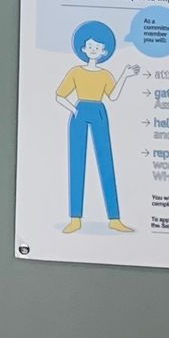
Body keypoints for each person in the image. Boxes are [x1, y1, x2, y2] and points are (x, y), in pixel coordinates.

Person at [55, 20, 138, 233]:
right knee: (77, 162)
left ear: (104, 51)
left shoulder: (104, 75)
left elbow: (113, 95)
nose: (94, 50)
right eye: (90, 46)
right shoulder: (76, 72)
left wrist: (125, 76)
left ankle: (115, 218)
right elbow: (60, 95)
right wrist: (74, 110)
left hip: (100, 111)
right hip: (80, 111)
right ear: (84, 48)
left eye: (98, 47)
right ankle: (75, 218)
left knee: (105, 159)